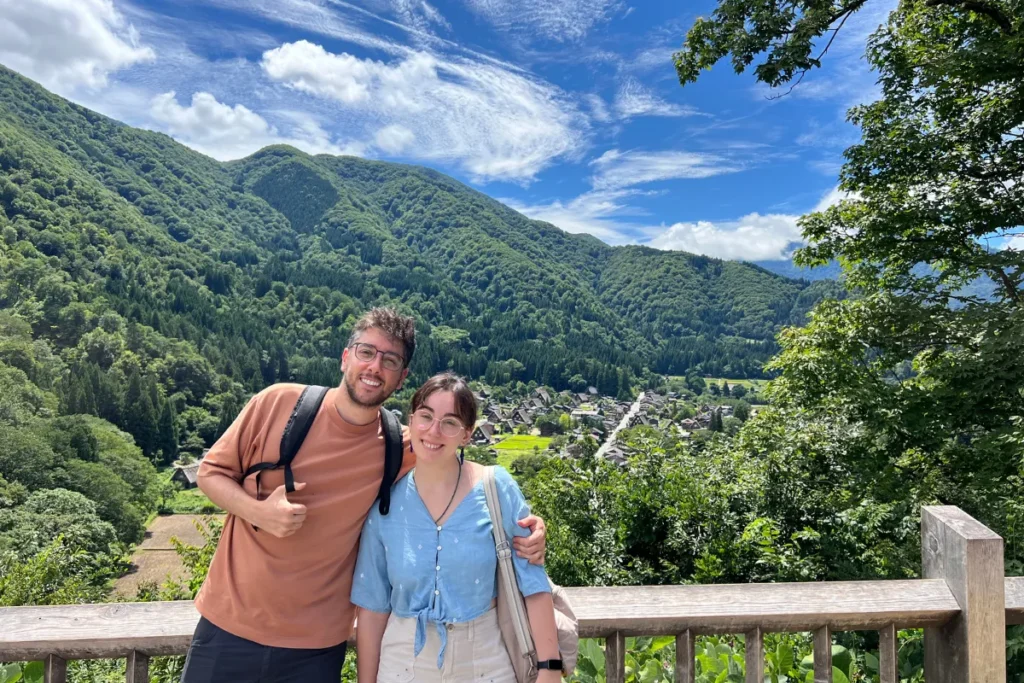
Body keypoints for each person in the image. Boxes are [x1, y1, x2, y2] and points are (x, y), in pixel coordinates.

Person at [180, 308, 548, 683]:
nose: (375, 367)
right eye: (366, 352)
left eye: (390, 360)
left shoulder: (400, 445)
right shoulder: (279, 404)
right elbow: (210, 472)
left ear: (402, 378)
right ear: (346, 357)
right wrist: (259, 512)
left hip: (317, 646)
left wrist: (527, 526)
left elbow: (456, 470)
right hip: (229, 626)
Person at [353, 372, 562, 683]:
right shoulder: (385, 506)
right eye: (425, 416)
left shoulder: (496, 489)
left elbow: (532, 583)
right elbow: (372, 609)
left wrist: (550, 670)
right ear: (411, 420)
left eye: (449, 422)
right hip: (402, 665)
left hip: (485, 662)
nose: (434, 431)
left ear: (466, 434)